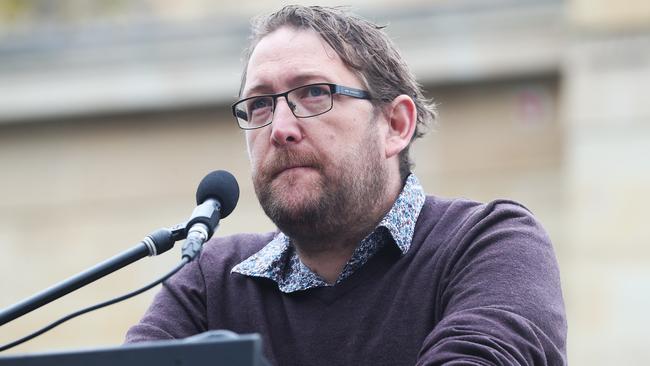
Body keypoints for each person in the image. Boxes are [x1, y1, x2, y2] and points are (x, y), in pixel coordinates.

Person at [126, 5, 567, 365]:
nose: (280, 127)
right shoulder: (210, 280)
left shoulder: (488, 243)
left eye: (314, 93)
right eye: (259, 104)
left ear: (395, 124)